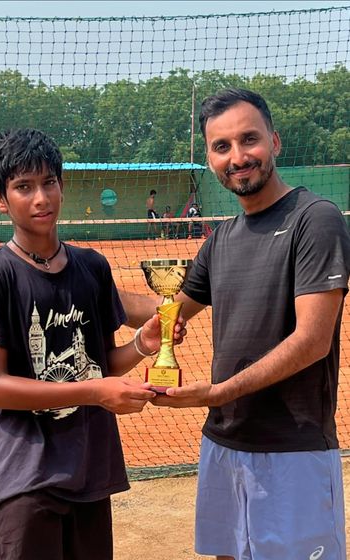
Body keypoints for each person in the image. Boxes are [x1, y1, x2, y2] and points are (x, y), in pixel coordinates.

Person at [120, 88, 350, 559]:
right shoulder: (222, 238)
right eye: (221, 146)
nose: (238, 157)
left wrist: (217, 393)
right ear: (209, 157)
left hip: (293, 446)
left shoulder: (315, 220)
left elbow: (312, 341)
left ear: (275, 142)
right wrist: (77, 284)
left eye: (250, 140)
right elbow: (168, 311)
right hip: (223, 443)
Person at [0, 128, 181, 560]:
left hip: (90, 467)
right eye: (23, 187)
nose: (40, 198)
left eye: (48, 183)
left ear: (62, 186)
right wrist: (95, 392)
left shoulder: (91, 267)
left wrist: (142, 343)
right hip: (28, 477)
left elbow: (100, 364)